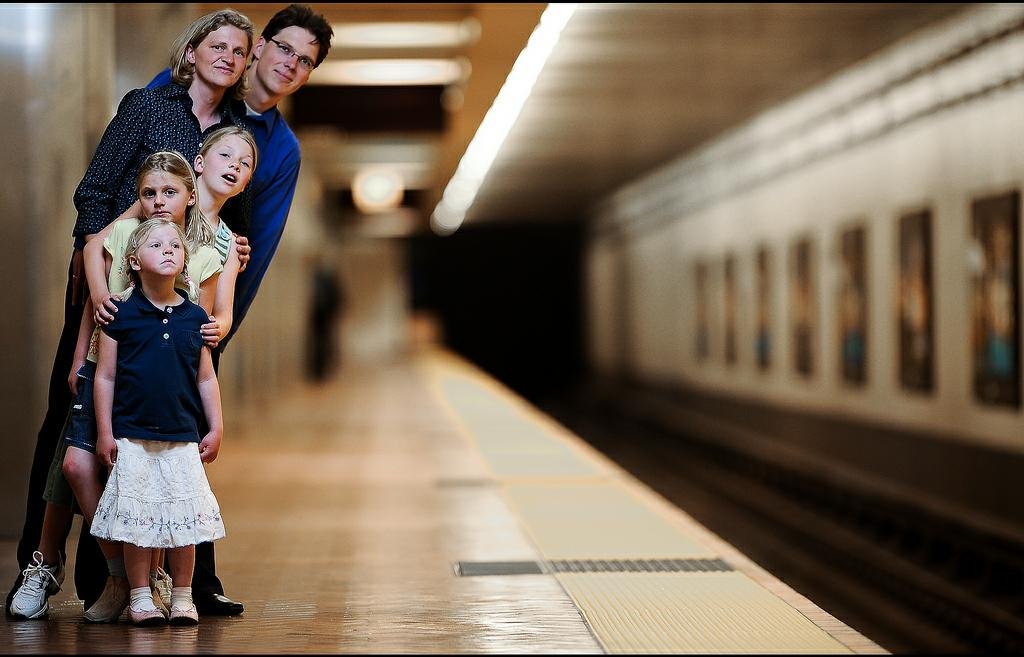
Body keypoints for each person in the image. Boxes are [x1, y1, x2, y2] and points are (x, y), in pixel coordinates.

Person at [7, 8, 254, 618]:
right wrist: (93, 286)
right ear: (192, 49)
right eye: (215, 44)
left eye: (238, 50)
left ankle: (139, 581)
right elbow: (92, 195)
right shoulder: (146, 107)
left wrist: (226, 271)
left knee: (155, 459)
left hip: (167, 324)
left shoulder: (233, 130)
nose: (226, 56)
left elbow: (220, 242)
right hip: (112, 296)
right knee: (72, 441)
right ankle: (45, 566)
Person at [147, 4, 333, 616]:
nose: (290, 64)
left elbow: (259, 246)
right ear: (259, 48)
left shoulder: (280, 150)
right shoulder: (189, 95)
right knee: (86, 432)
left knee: (186, 442)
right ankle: (93, 579)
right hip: (128, 291)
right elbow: (131, 175)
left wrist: (216, 333)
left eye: (305, 61)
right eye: (283, 48)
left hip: (198, 310)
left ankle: (192, 583)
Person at [8, 151, 225, 623]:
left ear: (190, 192)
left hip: (161, 386)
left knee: (150, 488)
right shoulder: (128, 235)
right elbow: (97, 298)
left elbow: (204, 326)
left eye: (170, 191)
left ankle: (145, 581)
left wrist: (218, 332)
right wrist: (77, 355)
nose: (159, 202)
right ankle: (113, 575)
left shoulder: (205, 251)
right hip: (102, 368)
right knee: (74, 466)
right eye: (149, 192)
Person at [91, 218, 227, 626]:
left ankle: (184, 596)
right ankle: (139, 596)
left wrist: (216, 427)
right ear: (134, 260)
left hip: (182, 436)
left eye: (175, 245)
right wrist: (104, 431)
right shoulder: (120, 313)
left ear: (185, 261)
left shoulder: (194, 317)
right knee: (138, 523)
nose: (168, 249)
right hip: (132, 435)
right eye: (156, 244)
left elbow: (205, 376)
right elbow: (106, 376)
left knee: (183, 523)